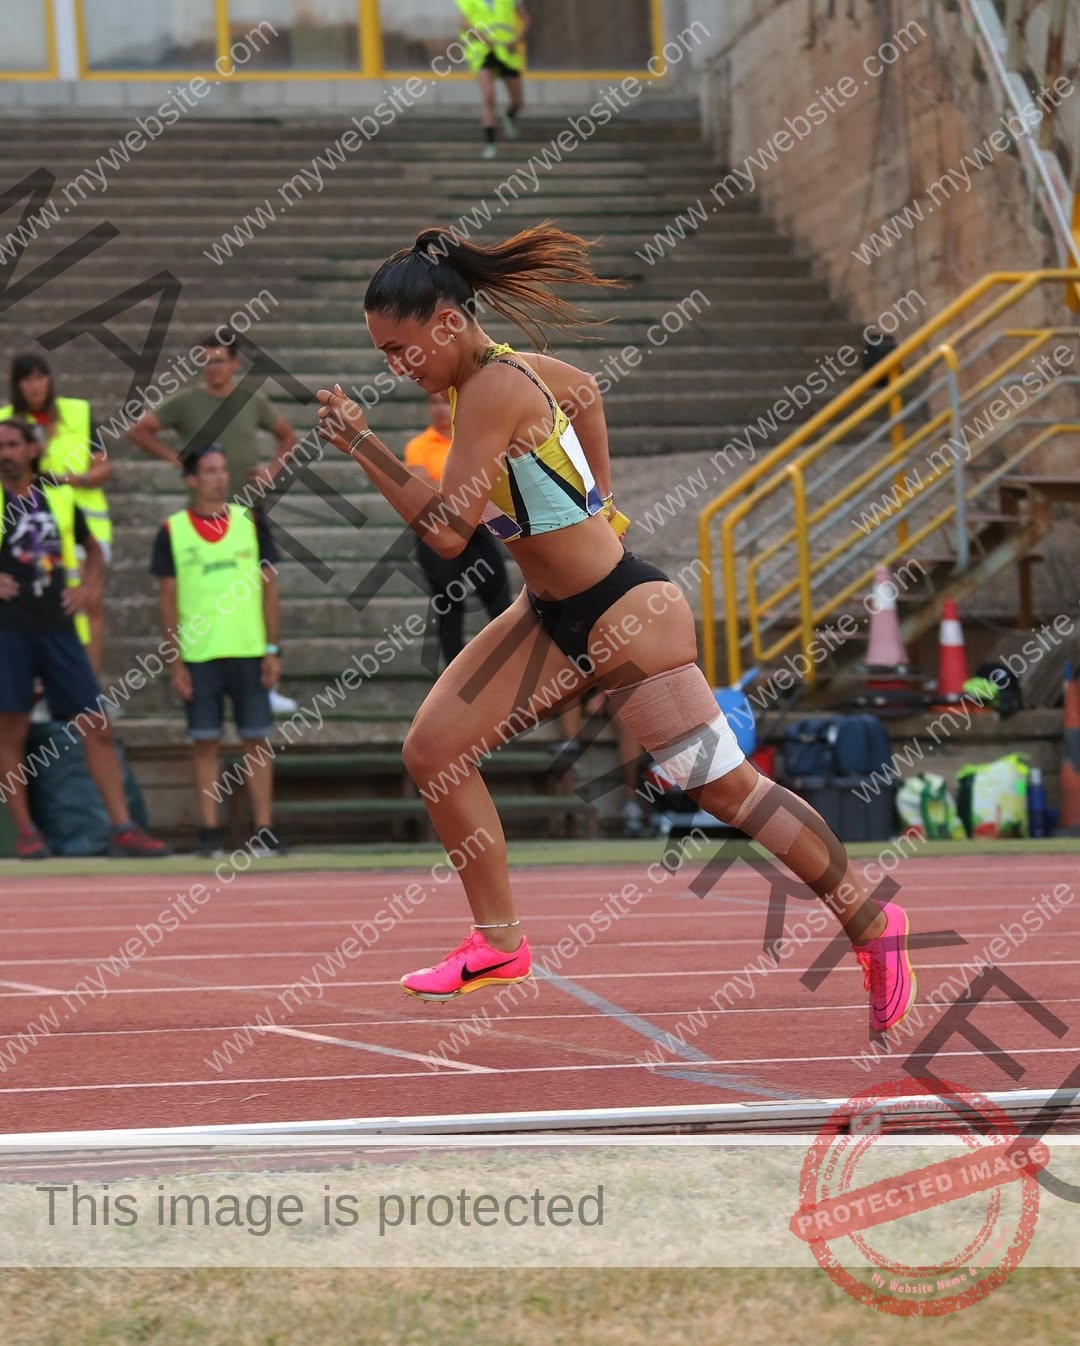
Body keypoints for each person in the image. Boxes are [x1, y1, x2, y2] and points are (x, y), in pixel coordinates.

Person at [314, 222, 916, 1037]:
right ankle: (499, 943)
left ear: (448, 322)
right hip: (548, 614)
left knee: (727, 792)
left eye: (400, 348)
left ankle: (874, 926)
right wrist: (599, 497)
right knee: (432, 751)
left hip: (627, 617)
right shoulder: (505, 374)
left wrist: (361, 444)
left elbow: (450, 532)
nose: (396, 366)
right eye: (385, 353)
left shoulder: (492, 387)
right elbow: (588, 392)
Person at [0, 420, 167, 860]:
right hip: (9, 629)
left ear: (31, 449)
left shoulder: (56, 494)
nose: (6, 453)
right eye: (0, 447)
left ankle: (122, 826)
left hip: (58, 626)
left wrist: (90, 587)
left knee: (97, 724)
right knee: (10, 730)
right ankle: (26, 831)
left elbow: (93, 548)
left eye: (13, 445)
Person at [128, 327, 300, 715]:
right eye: (205, 361)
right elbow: (139, 429)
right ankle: (196, 672)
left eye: (219, 360)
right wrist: (176, 459)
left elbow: (287, 435)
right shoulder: (186, 402)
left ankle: (267, 680)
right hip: (202, 516)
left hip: (248, 512)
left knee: (260, 592)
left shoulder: (251, 401)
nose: (212, 367)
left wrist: (272, 470)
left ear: (235, 363)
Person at [150, 444, 287, 859]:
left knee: (257, 740)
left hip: (248, 649)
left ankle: (264, 830)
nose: (219, 478)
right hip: (199, 655)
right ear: (191, 479)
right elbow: (167, 601)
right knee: (205, 743)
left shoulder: (252, 521)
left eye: (223, 470)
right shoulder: (173, 530)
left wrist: (272, 648)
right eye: (209, 471)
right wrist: (175, 660)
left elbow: (270, 592)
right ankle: (209, 832)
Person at [0, 352, 112, 675]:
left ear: (50, 379)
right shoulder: (5, 419)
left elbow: (103, 467)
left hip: (81, 522)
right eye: (27, 378)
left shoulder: (77, 412)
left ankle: (89, 686)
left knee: (87, 600)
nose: (35, 386)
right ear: (16, 384)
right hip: (25, 519)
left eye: (40, 376)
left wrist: (70, 480)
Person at [405, 391, 512, 668]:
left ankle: (510, 669)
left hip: (477, 531)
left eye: (445, 401)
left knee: (500, 603)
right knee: (448, 606)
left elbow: (486, 480)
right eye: (434, 402)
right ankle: (456, 676)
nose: (440, 408)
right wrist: (464, 489)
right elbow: (423, 491)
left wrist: (445, 488)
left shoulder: (470, 439)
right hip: (436, 534)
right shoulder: (419, 445)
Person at [556, 688, 650, 836]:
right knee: (568, 688)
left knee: (627, 719)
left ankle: (631, 803)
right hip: (577, 687)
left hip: (614, 689)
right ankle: (570, 742)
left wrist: (602, 694)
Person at [456, 0, 528, 159]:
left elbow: (525, 18)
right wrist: (483, 38)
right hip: (482, 51)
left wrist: (517, 40)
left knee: (518, 102)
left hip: (506, 49)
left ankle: (509, 116)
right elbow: (464, 23)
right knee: (489, 96)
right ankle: (490, 143)